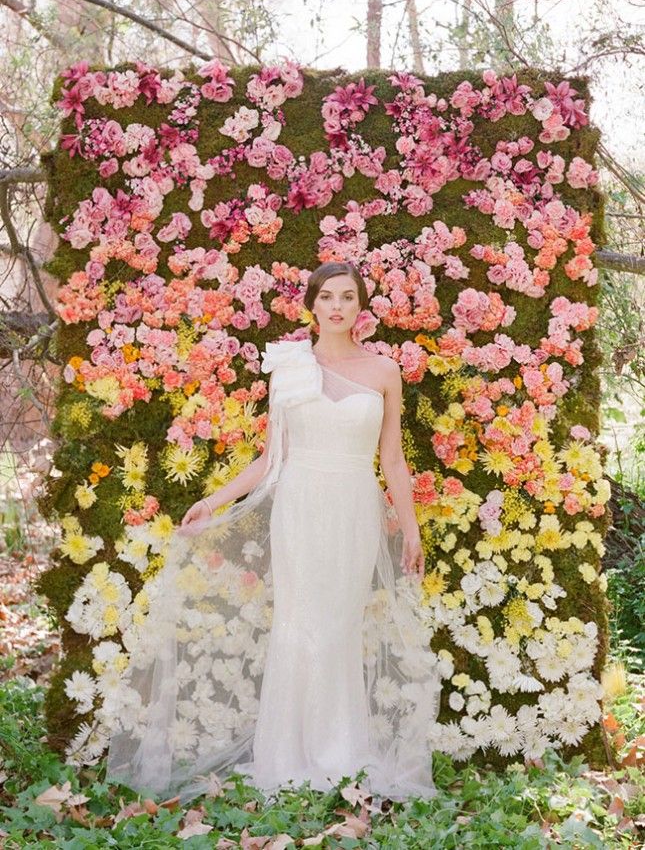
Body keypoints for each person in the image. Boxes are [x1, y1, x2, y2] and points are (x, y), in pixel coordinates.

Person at [105, 261, 441, 804]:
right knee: (298, 623)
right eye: (327, 296)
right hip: (300, 506)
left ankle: (341, 755)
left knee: (338, 625)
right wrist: (213, 499)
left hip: (354, 506)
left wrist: (411, 527)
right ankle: (286, 756)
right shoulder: (289, 367)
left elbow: (394, 460)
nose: (336, 306)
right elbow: (270, 458)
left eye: (347, 297)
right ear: (311, 305)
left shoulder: (383, 371)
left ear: (361, 307)